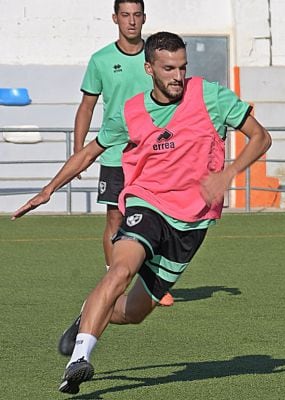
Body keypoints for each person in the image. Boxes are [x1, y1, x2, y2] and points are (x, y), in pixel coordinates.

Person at [12, 31, 273, 395]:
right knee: (121, 268)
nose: (178, 76)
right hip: (145, 203)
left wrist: (228, 173)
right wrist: (48, 189)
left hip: (192, 222)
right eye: (168, 68)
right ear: (149, 68)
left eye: (183, 67)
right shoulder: (131, 112)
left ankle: (88, 313)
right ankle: (80, 359)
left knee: (133, 312)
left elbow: (261, 136)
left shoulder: (212, 96)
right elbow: (88, 153)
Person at [73, 0, 175, 308]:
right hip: (116, 153)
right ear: (115, 18)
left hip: (153, 153)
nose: (131, 21)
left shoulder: (157, 58)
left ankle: (153, 285)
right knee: (116, 219)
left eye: (137, 15)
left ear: (144, 18)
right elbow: (87, 106)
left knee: (158, 218)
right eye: (125, 15)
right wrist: (79, 151)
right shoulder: (101, 60)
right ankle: (113, 282)